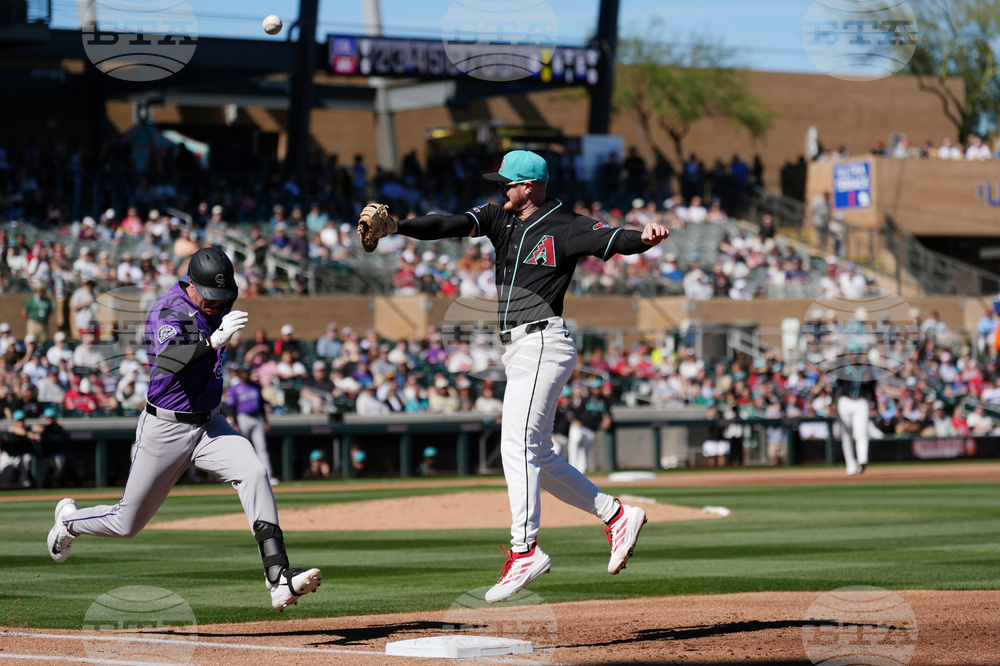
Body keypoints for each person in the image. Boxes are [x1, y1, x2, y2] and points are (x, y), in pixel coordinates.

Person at [358, 149, 667, 602]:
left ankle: (525, 551)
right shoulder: (500, 218)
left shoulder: (567, 224)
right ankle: (617, 515)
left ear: (528, 187)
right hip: (518, 349)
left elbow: (616, 237)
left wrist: (646, 238)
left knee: (516, 445)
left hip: (544, 340)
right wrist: (399, 226)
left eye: (507, 182)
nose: (500, 189)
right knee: (537, 454)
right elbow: (448, 224)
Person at [45, 247, 321, 611]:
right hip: (166, 426)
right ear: (191, 284)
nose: (216, 304)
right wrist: (212, 341)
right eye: (209, 296)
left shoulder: (219, 301)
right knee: (127, 523)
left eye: (221, 296)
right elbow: (169, 361)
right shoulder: (169, 309)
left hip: (210, 424)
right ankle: (69, 523)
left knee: (254, 472)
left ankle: (278, 578)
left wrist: (215, 335)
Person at [225, 367, 277, 486]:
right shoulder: (236, 388)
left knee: (262, 449)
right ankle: (239, 477)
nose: (245, 374)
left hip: (257, 418)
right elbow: (230, 407)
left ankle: (268, 476)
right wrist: (236, 423)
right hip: (243, 418)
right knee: (243, 449)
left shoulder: (256, 386)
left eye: (246, 372)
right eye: (242, 372)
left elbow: (261, 404)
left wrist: (265, 420)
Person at [830, 353, 878, 476]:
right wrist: (833, 403)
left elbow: (872, 389)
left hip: (861, 401)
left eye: (855, 354)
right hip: (845, 401)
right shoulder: (843, 369)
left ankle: (862, 461)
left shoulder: (866, 370)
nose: (853, 356)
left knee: (861, 433)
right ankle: (850, 465)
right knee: (846, 434)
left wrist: (875, 405)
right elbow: (835, 387)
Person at [567, 380, 613, 473]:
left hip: (592, 429)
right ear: (592, 389)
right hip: (581, 427)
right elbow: (577, 412)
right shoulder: (586, 399)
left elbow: (608, 414)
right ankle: (572, 467)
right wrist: (576, 420)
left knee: (585, 450)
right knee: (575, 443)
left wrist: (608, 419)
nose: (596, 390)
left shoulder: (604, 400)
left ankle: (581, 471)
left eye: (598, 388)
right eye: (595, 388)